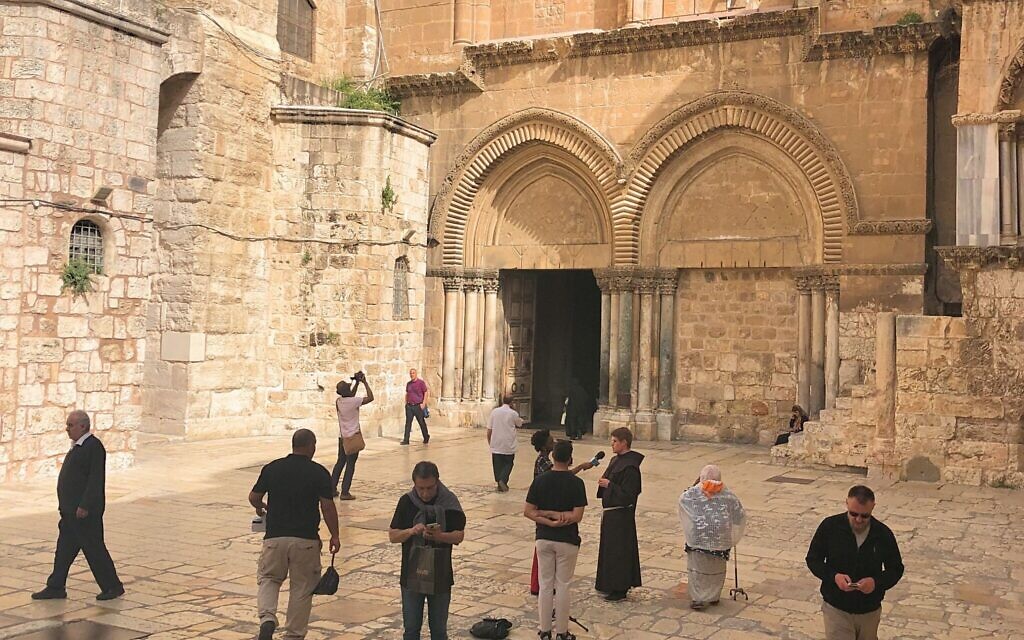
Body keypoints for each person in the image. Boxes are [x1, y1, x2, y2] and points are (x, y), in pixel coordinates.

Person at [249, 429, 340, 640]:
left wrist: (262, 507)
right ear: (312, 446)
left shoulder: (272, 468)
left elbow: (254, 497)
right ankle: (294, 635)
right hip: (305, 540)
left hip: (274, 538)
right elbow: (327, 507)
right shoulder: (319, 472)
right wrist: (335, 535)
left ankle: (267, 619)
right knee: (302, 588)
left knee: (269, 579)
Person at [33, 410, 124, 602]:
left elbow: (95, 479)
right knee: (64, 550)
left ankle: (113, 586)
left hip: (83, 513)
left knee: (94, 549)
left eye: (70, 425)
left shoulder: (93, 447)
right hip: (69, 512)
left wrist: (85, 505)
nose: (67, 429)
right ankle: (56, 586)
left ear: (82, 426)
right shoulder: (77, 446)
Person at [806, 485, 905, 640]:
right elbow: (813, 559)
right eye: (854, 514)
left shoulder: (882, 534)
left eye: (865, 516)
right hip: (836, 608)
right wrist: (834, 577)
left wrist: (876, 582)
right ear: (846, 503)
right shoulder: (830, 527)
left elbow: (896, 568)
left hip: (869, 611)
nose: (858, 519)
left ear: (873, 507)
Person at [389, 461, 466, 640]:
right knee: (411, 629)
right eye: (420, 488)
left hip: (440, 573)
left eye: (430, 488)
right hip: (412, 572)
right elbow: (393, 536)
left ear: (437, 482)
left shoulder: (449, 502)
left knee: (439, 630)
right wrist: (411, 531)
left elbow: (459, 536)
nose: (425, 493)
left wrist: (440, 536)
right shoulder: (407, 501)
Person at [524, 440, 588, 640]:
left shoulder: (540, 480)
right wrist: (560, 517)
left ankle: (544, 630)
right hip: (567, 539)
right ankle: (561, 631)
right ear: (570, 458)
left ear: (552, 457)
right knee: (563, 585)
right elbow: (577, 516)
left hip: (544, 538)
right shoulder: (576, 483)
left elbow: (528, 511)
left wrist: (547, 517)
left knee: (545, 585)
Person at [529, 429, 597, 595]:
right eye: (551, 441)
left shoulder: (544, 461)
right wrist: (580, 467)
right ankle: (538, 586)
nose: (553, 443)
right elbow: (560, 475)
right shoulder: (543, 463)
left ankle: (541, 586)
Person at [678, 464, 747, 610]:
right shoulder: (729, 495)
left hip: (698, 537)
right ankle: (714, 596)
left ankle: (698, 598)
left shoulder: (692, 494)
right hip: (720, 538)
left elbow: (683, 500)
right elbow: (739, 515)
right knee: (716, 569)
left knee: (698, 569)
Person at [595, 427, 644, 601]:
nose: (612, 444)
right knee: (609, 551)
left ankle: (619, 587)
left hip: (621, 516)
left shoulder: (631, 467)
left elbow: (630, 494)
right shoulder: (616, 460)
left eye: (615, 441)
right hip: (610, 514)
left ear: (624, 443)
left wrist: (610, 485)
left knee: (619, 552)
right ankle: (607, 583)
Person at [333, 371, 374, 499]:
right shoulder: (354, 401)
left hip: (342, 437)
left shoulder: (339, 401)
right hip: (353, 437)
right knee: (350, 464)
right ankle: (345, 492)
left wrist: (356, 382)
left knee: (340, 462)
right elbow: (370, 397)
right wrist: (364, 382)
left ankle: (331, 488)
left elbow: (350, 396)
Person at [487, 395, 523, 492]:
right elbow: (519, 424)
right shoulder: (513, 413)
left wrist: (489, 441)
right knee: (508, 463)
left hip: (496, 442)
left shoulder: (494, 412)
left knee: (497, 464)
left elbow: (489, 429)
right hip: (508, 443)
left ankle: (499, 482)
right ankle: (502, 480)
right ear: (511, 402)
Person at [402, 368, 430, 445]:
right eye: (411, 373)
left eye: (413, 373)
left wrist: (423, 403)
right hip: (410, 406)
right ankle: (406, 440)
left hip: (418, 406)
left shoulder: (421, 383)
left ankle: (426, 437)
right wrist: (406, 403)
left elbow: (425, 392)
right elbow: (407, 393)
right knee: (408, 423)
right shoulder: (409, 384)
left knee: (421, 422)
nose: (412, 374)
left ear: (416, 374)